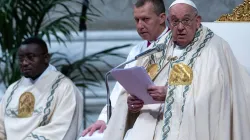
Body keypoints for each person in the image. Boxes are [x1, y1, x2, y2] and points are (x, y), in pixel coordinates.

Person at [104, 0, 250, 139]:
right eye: (175, 21)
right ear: (168, 21)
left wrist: (170, 94)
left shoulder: (214, 48)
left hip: (192, 123)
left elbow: (216, 95)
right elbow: (135, 91)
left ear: (197, 21)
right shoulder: (159, 47)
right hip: (151, 120)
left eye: (186, 20)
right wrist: (133, 105)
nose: (180, 27)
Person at [81, 0, 168, 137]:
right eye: (137, 20)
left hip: (162, 117)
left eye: (145, 19)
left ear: (162, 18)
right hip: (133, 116)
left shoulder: (176, 47)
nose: (140, 26)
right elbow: (120, 90)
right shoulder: (137, 51)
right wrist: (104, 119)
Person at [0, 37, 83, 140]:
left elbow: (59, 129)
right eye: (21, 58)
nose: (24, 63)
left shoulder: (65, 88)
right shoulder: (12, 90)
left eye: (30, 57)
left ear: (46, 58)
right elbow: (1, 126)